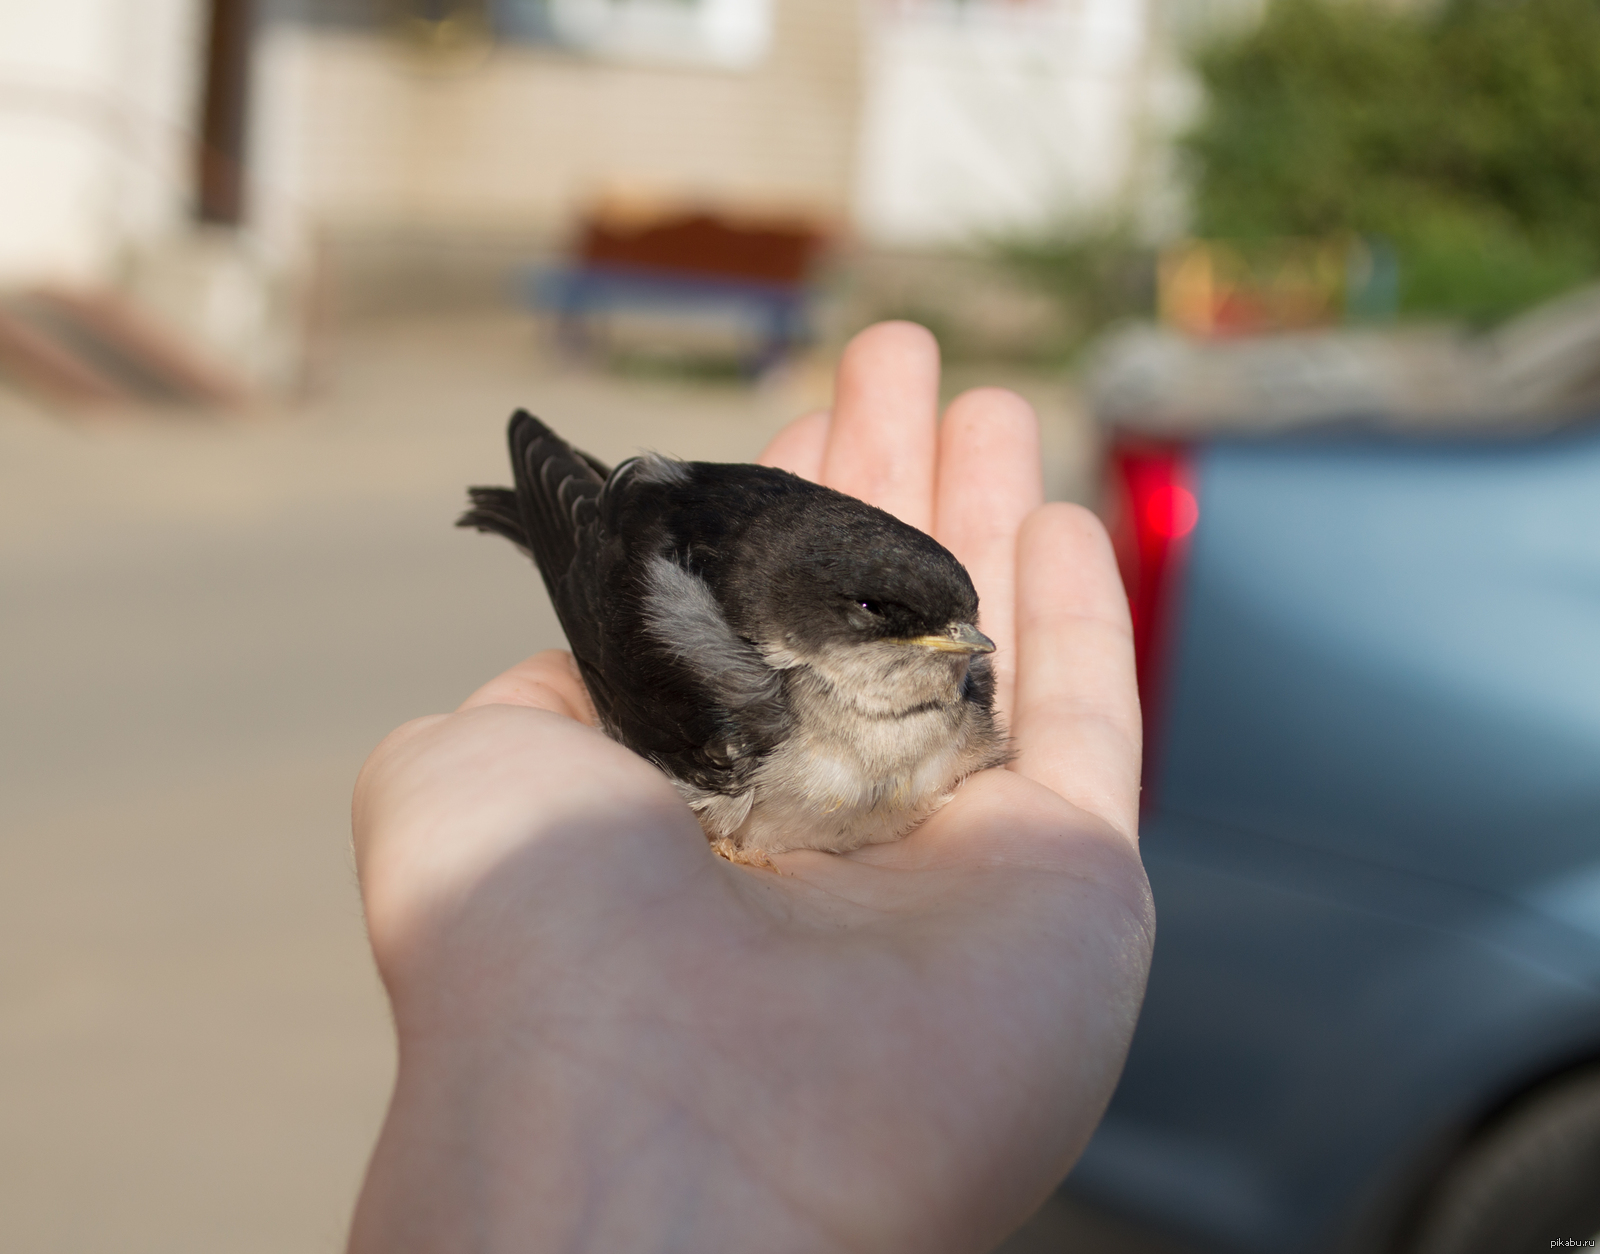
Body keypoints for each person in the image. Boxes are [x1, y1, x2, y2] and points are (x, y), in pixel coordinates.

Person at [346, 321, 1154, 1253]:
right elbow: (654, 540)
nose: (969, 652)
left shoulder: (954, 684)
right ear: (816, 628)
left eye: (963, 626)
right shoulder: (741, 706)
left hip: (704, 517)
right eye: (901, 627)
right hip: (642, 542)